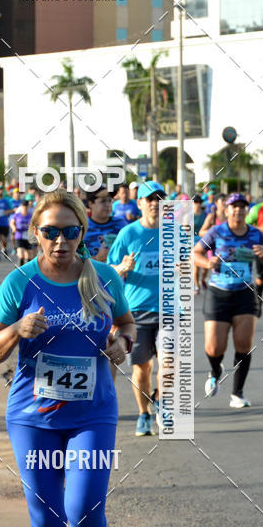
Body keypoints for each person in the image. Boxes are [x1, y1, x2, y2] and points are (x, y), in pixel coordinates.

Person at [0, 190, 135, 527]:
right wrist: (15, 330)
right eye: (50, 232)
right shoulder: (20, 283)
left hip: (93, 412)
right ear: (35, 234)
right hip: (33, 416)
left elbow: (126, 325)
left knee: (84, 505)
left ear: (82, 233)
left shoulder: (104, 277)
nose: (61, 241)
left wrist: (123, 344)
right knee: (45, 515)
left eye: (70, 232)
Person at [194, 193, 263, 407]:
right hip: (218, 293)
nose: (238, 210)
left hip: (245, 293)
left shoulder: (256, 234)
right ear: (226, 210)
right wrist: (208, 264)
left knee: (244, 344)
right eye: (234, 207)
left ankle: (238, 393)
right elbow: (196, 253)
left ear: (247, 210)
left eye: (242, 206)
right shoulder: (217, 231)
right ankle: (215, 370)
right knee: (214, 348)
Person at [107, 180, 166, 436]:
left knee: (170, 363)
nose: (155, 203)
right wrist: (123, 267)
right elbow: (109, 270)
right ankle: (144, 413)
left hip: (170, 309)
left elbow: (189, 263)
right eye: (149, 198)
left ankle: (161, 401)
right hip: (137, 311)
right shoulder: (128, 234)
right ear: (139, 203)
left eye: (159, 198)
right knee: (142, 368)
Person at [84, 188, 127, 262]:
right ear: (91, 203)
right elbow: (76, 261)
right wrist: (97, 258)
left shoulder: (121, 224)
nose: (108, 205)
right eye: (103, 201)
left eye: (110, 200)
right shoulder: (83, 228)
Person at [10, 199, 34, 266]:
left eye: (26, 207)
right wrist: (14, 227)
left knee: (29, 256)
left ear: (28, 207)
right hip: (19, 236)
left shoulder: (30, 216)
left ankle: (27, 271)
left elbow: (34, 225)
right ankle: (20, 271)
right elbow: (12, 222)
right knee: (21, 255)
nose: (25, 208)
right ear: (21, 207)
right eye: (23, 206)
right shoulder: (17, 215)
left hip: (28, 237)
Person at [192, 195, 208, 293]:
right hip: (192, 241)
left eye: (199, 202)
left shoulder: (205, 214)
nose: (198, 204)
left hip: (204, 241)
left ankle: (202, 280)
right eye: (195, 202)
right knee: (196, 266)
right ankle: (196, 286)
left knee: (206, 265)